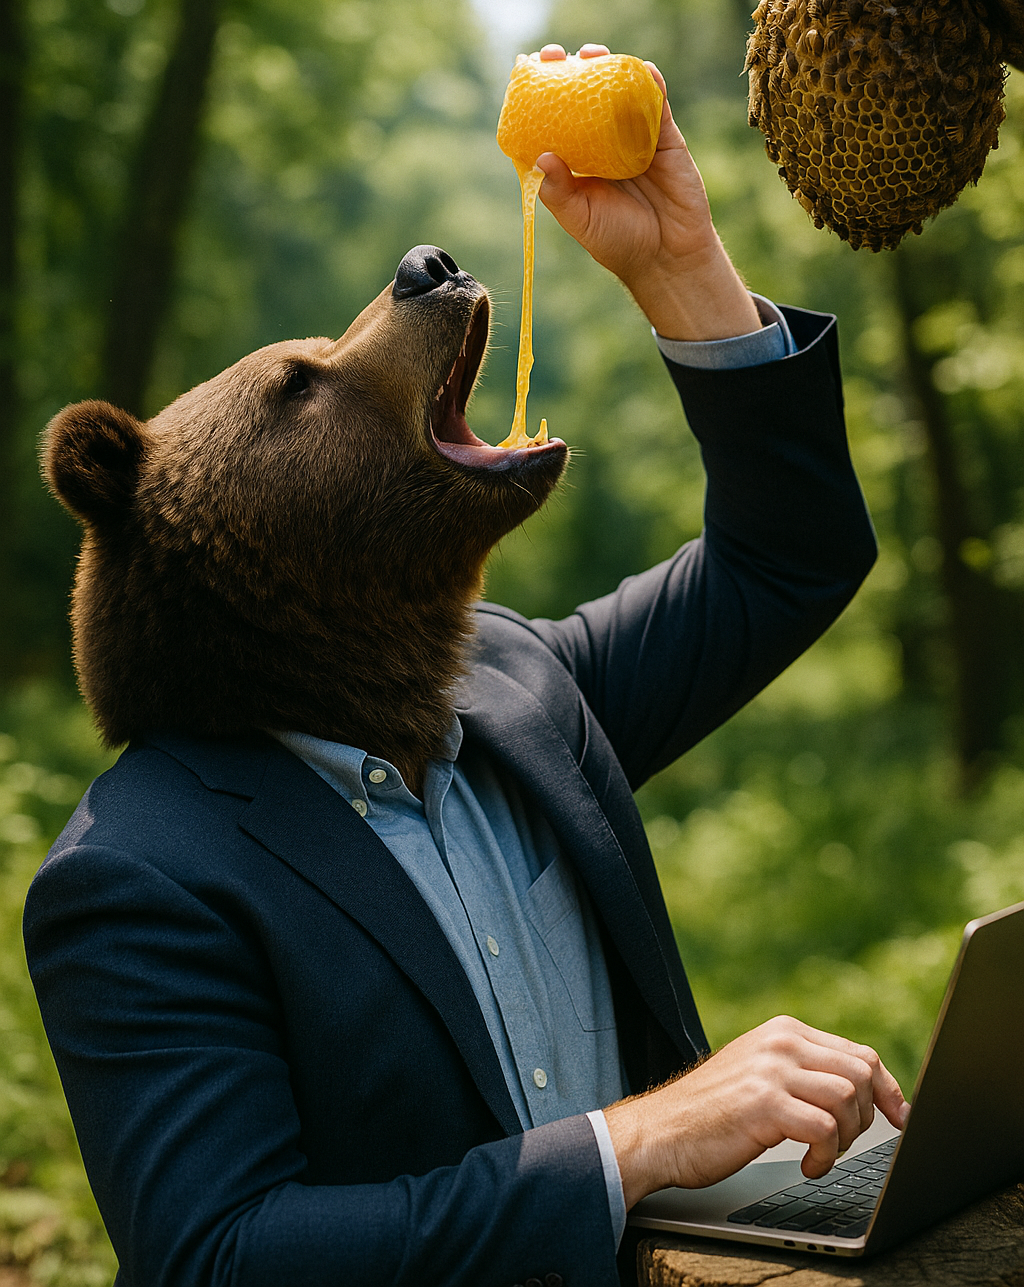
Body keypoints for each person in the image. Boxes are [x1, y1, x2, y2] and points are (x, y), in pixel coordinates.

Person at [25, 42, 907, 1287]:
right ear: (199, 538)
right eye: (299, 389)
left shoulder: (516, 692)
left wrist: (678, 265)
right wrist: (632, 1143)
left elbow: (790, 557)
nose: (382, 317)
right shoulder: (140, 877)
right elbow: (221, 1259)